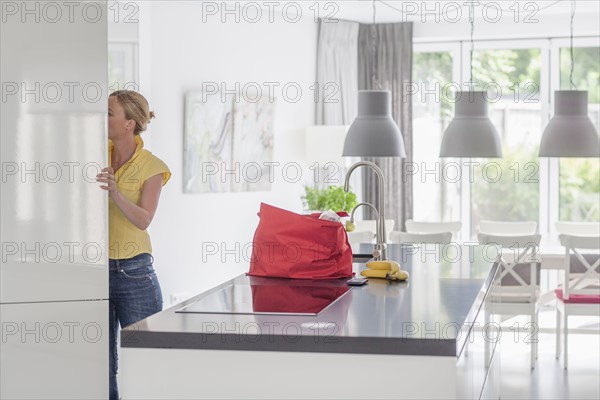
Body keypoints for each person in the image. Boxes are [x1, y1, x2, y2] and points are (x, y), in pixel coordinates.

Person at [97, 90, 171, 400]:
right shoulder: (95, 151)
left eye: (109, 113)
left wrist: (115, 193)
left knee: (143, 358)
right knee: (100, 363)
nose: (103, 118)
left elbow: (144, 219)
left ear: (129, 123)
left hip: (135, 274)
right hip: (96, 271)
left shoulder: (152, 166)